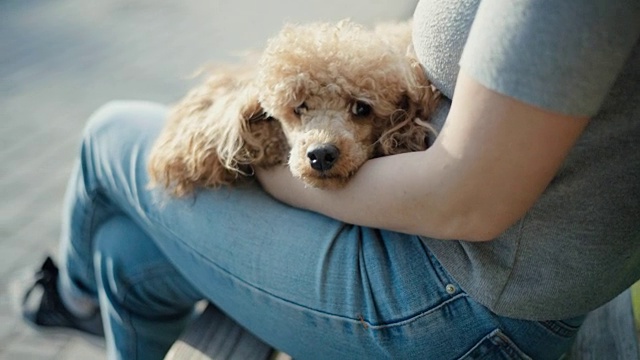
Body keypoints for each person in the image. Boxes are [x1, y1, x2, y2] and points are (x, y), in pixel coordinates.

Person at [21, 0, 640, 359]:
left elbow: (465, 203)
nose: (323, 136)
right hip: (437, 252)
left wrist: (271, 176)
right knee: (125, 254)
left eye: (359, 113)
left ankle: (72, 297)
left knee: (108, 132)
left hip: (470, 303)